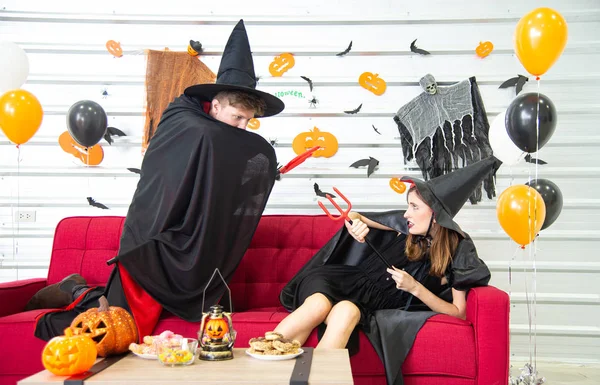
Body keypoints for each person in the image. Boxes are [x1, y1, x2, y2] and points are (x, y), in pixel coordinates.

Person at [31, 19, 286, 341]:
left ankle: (81, 289)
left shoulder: (218, 132)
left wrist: (260, 170)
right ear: (216, 105)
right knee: (116, 333)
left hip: (197, 240)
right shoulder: (185, 119)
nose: (242, 128)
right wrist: (258, 154)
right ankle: (79, 292)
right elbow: (213, 144)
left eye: (249, 122)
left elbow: (222, 179)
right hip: (154, 239)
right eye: (237, 118)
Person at [277, 156, 501, 385]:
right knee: (318, 305)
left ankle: (311, 381)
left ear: (435, 215)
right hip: (338, 281)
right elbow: (355, 216)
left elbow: (459, 312)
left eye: (414, 207)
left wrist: (416, 288)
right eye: (408, 206)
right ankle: (261, 362)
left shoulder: (459, 251)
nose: (406, 214)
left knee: (347, 313)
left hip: (364, 304)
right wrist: (355, 225)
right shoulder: (407, 225)